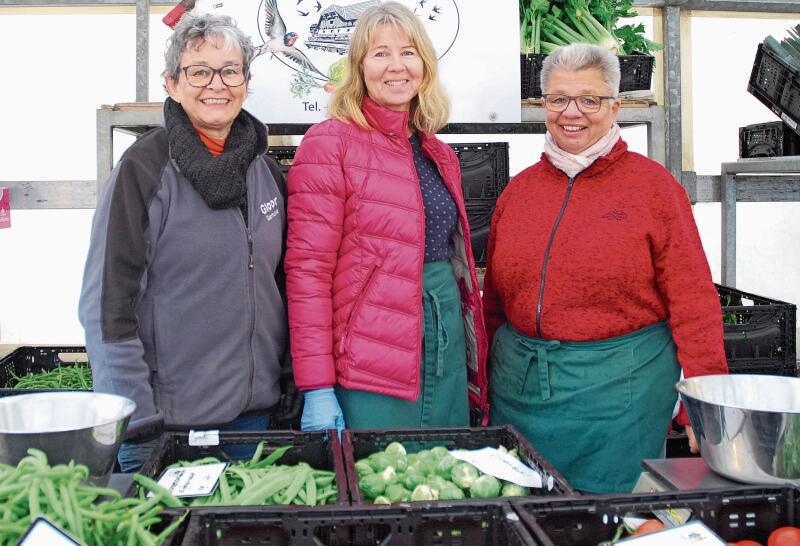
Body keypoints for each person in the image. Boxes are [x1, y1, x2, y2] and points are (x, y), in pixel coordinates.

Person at [482, 43, 728, 493]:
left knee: (605, 516)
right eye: (558, 99)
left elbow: (693, 299)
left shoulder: (654, 189)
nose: (571, 112)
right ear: (543, 106)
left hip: (619, 392)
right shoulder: (519, 191)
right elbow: (494, 303)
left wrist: (704, 400)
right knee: (518, 508)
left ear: (615, 107)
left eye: (589, 100)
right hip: (519, 391)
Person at [79, 13, 289, 472]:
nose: (217, 84)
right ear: (172, 85)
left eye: (230, 70)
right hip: (167, 428)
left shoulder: (265, 171)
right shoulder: (144, 169)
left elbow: (279, 284)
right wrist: (135, 418)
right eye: (199, 71)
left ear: (246, 83)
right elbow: (106, 307)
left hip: (254, 420)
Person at [284, 1, 488, 432]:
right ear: (358, 67)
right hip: (370, 353)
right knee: (382, 482)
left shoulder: (438, 151)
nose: (396, 66)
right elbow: (308, 274)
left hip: (443, 338)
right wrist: (317, 386)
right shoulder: (328, 144)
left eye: (408, 52)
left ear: (425, 65)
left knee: (443, 481)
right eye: (380, 54)